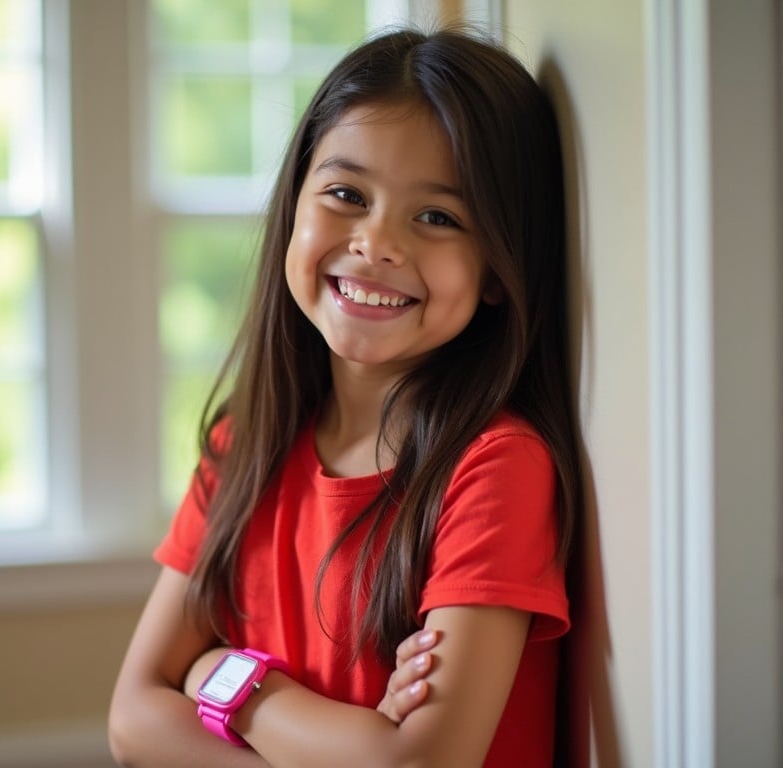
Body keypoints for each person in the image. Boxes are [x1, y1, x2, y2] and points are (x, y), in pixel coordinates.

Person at [109, 25, 583, 768]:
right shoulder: (243, 447)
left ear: (499, 267)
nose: (376, 242)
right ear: (294, 208)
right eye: (345, 194)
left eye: (438, 217)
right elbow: (133, 719)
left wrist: (223, 681)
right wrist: (343, 735)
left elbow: (414, 763)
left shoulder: (495, 469)